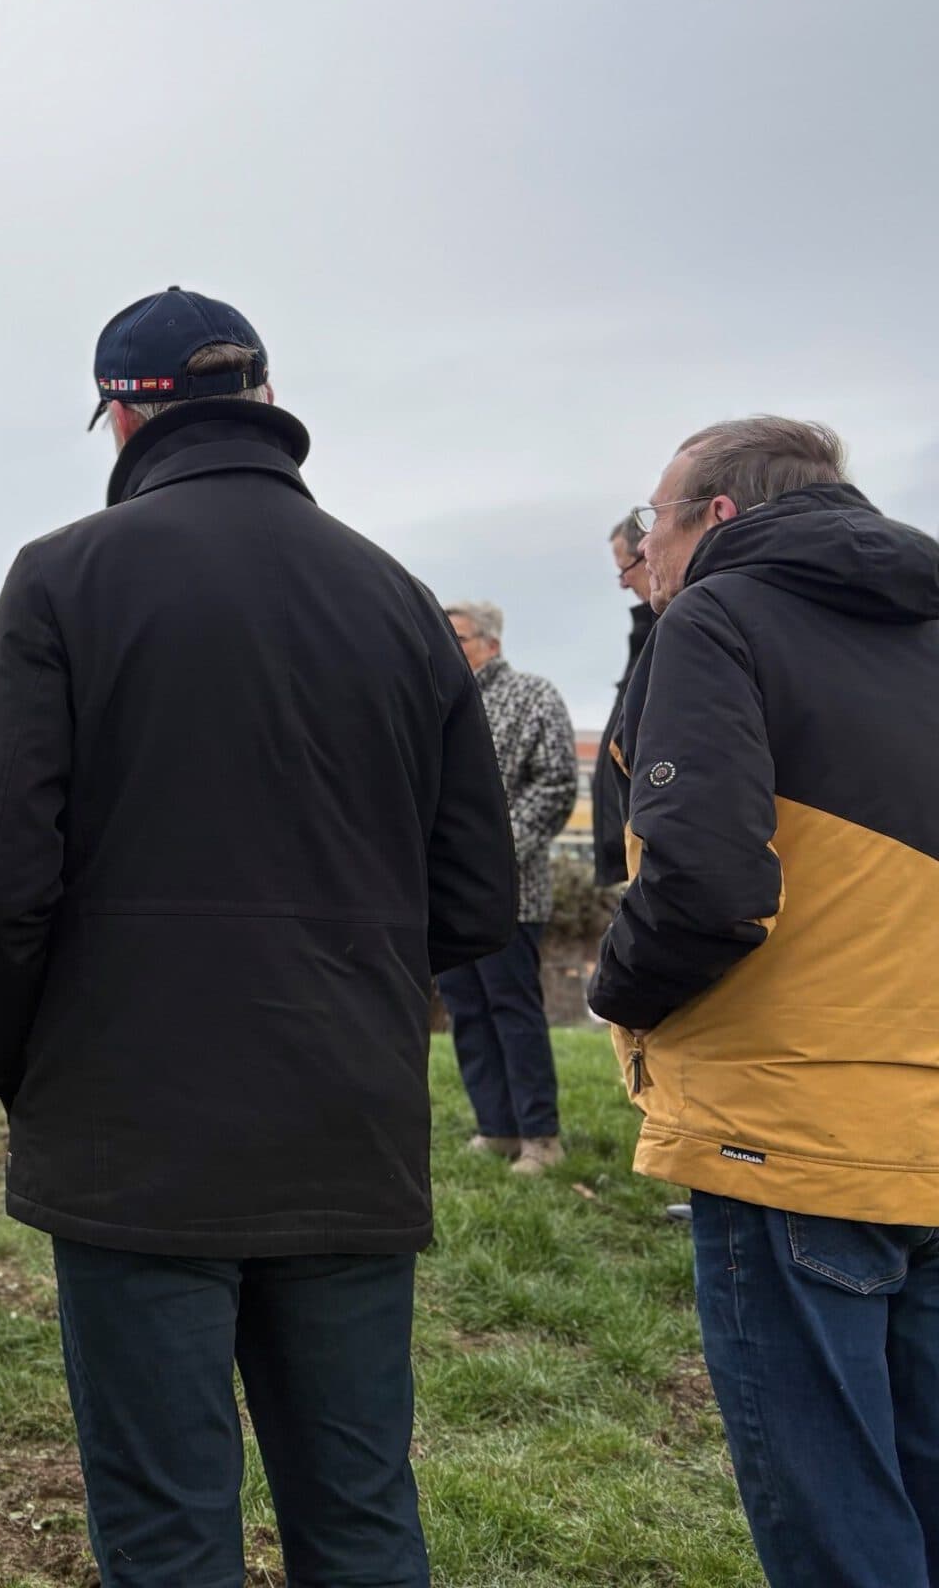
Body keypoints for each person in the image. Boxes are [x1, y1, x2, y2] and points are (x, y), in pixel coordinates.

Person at [0, 287, 516, 1588]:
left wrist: (6, 1061)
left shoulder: (62, 579)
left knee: (165, 1529)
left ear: (126, 416)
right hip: (348, 1128)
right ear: (265, 400)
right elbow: (477, 896)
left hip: (130, 1139)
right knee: (361, 1515)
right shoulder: (398, 602)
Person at [591, 416, 939, 1588]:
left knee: (835, 1519)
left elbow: (707, 885)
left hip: (786, 1138)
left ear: (716, 518)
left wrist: (614, 992)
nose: (645, 548)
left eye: (654, 519)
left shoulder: (718, 621)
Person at [436, 600, 577, 1177]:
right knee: (466, 1010)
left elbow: (558, 782)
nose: (450, 649)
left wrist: (490, 851)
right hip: (445, 890)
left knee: (511, 1009)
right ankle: (495, 1128)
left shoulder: (533, 695)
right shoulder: (438, 700)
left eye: (459, 639)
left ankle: (540, 1137)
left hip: (510, 891)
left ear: (491, 643)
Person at [592, 516, 657, 890]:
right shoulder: (649, 634)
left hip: (647, 860)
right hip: (632, 858)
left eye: (625, 569)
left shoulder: (672, 631)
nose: (622, 583)